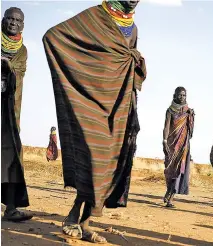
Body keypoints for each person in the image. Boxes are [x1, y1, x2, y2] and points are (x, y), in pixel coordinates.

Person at [43, 0, 146, 243]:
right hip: (91, 100)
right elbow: (53, 36)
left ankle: (85, 222)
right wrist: (83, 75)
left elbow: (123, 58)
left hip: (119, 102)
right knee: (94, 158)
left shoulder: (133, 28)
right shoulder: (95, 17)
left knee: (110, 163)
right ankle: (72, 216)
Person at [1, 7, 32, 222]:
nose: (13, 23)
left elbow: (18, 73)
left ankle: (10, 209)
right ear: (3, 20)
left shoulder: (22, 51)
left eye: (17, 20)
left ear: (22, 25)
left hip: (9, 110)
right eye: (9, 18)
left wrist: (7, 64)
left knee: (11, 156)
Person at [162, 87, 195, 208]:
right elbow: (166, 127)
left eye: (184, 95)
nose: (182, 97)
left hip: (183, 146)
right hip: (171, 144)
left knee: (178, 169)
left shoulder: (188, 112)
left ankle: (171, 197)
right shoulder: (170, 110)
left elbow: (191, 131)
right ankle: (168, 190)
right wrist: (164, 141)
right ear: (174, 96)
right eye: (180, 95)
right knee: (169, 169)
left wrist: (191, 117)